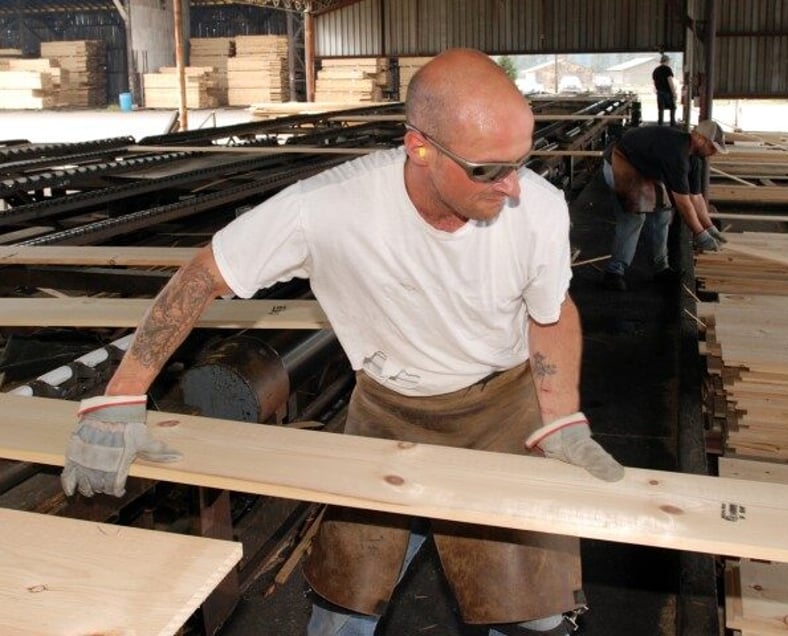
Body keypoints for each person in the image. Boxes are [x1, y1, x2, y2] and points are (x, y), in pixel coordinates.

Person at [60, 48, 624, 636]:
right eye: (487, 170)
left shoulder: (538, 207)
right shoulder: (327, 208)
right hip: (389, 413)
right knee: (344, 603)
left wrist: (561, 418)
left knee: (531, 612)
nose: (512, 187)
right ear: (420, 147)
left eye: (521, 161)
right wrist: (120, 398)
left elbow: (551, 312)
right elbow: (202, 275)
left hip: (503, 412)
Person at [601, 119, 729, 292]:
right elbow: (683, 202)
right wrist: (700, 235)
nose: (713, 152)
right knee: (634, 217)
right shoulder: (676, 152)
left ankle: (661, 268)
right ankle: (614, 272)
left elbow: (696, 197)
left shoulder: (695, 160)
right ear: (699, 139)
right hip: (622, 159)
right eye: (712, 147)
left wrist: (710, 228)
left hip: (647, 166)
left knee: (663, 213)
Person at [652, 54, 677, 126]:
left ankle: (660, 124)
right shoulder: (667, 69)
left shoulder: (656, 70)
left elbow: (654, 82)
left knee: (661, 109)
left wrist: (657, 89)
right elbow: (670, 81)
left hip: (659, 92)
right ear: (667, 61)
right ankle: (672, 124)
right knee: (673, 107)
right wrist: (674, 93)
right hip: (667, 92)